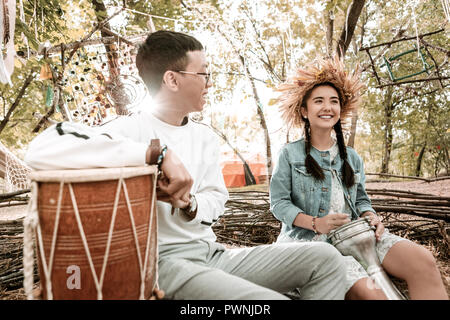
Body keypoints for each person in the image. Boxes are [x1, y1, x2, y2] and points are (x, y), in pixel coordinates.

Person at [25, 30, 348, 300]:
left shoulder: (205, 137)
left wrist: (189, 204)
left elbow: (215, 198)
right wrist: (157, 154)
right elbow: (41, 149)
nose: (209, 81)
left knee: (326, 259)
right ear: (172, 79)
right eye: (203, 72)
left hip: (210, 254)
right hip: (161, 264)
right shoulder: (126, 130)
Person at [270, 55, 449, 300]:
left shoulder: (351, 158)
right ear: (304, 110)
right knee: (372, 294)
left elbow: (362, 200)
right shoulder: (289, 154)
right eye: (318, 101)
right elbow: (279, 204)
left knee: (423, 261)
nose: (327, 107)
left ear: (340, 110)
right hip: (314, 242)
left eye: (334, 101)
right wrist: (315, 223)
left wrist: (370, 216)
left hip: (358, 234)